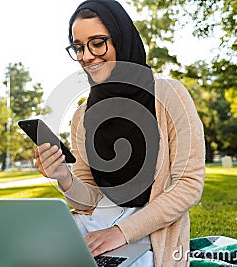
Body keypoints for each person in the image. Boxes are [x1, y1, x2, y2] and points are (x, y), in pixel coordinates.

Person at [34, 0, 205, 266]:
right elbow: (89, 201)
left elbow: (189, 185)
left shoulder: (170, 96)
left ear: (122, 40)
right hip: (95, 224)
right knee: (28, 251)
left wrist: (120, 233)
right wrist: (63, 178)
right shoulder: (82, 116)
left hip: (152, 232)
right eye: (78, 47)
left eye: (97, 43)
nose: (86, 56)